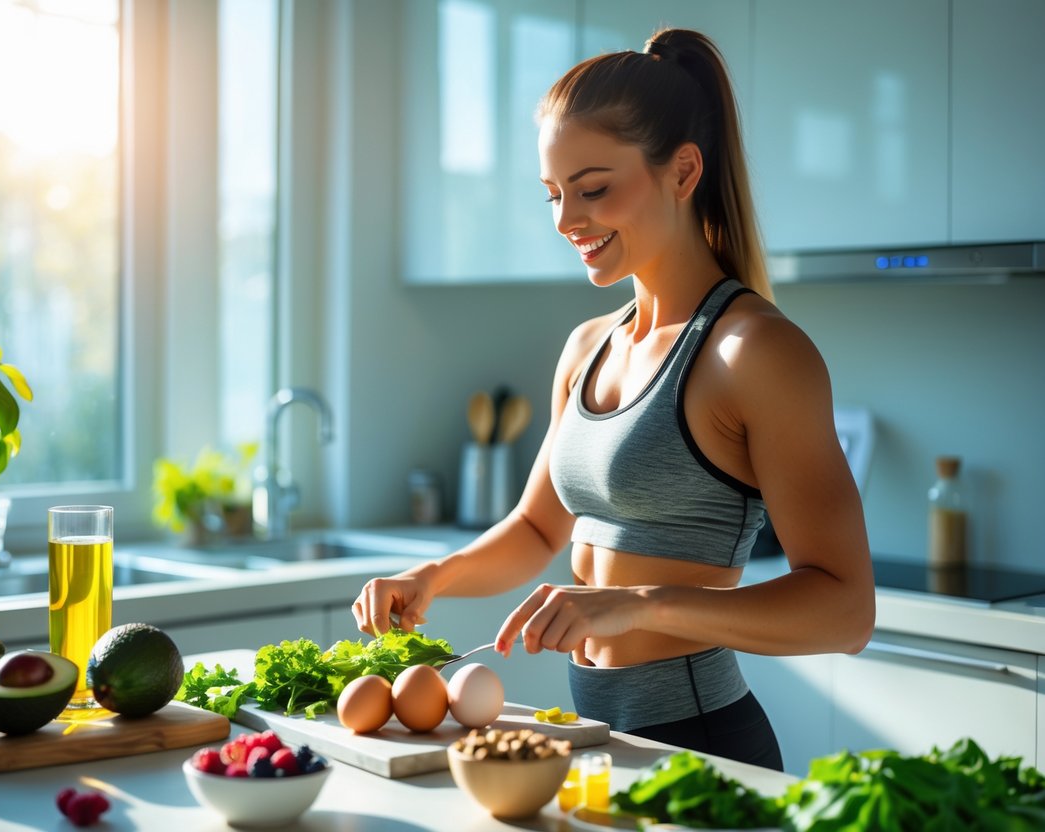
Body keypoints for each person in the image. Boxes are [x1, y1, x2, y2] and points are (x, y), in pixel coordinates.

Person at [353, 28, 874, 771]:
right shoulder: (587, 345)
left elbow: (846, 610)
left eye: (593, 189)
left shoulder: (752, 352)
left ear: (683, 170)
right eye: (554, 195)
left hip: (700, 746)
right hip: (595, 742)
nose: (567, 220)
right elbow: (537, 529)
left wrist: (641, 603)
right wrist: (430, 578)